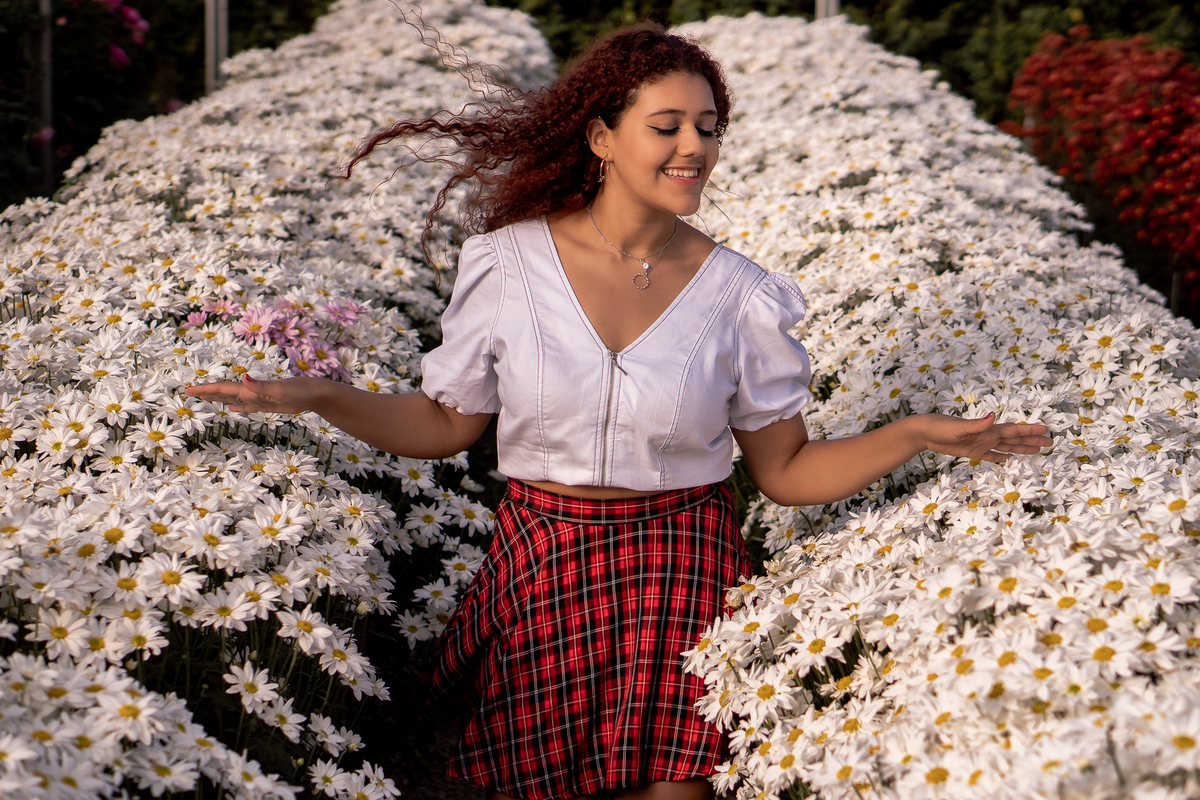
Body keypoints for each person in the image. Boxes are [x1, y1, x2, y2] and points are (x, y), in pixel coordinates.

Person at [185, 20, 1053, 800]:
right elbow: (446, 426)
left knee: (679, 789)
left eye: (708, 129)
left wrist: (914, 436)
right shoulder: (507, 264)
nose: (695, 149)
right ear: (602, 137)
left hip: (684, 566)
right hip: (545, 563)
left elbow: (785, 474)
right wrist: (319, 398)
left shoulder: (743, 296)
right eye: (667, 127)